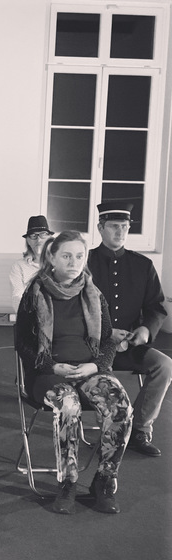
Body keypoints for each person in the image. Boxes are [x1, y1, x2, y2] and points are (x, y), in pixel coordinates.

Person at [16, 231, 133, 515]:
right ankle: (67, 483)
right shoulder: (34, 294)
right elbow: (23, 344)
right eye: (66, 256)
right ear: (52, 257)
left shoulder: (94, 294)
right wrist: (51, 366)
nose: (74, 262)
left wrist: (96, 366)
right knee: (68, 403)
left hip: (89, 369)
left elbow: (107, 341)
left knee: (120, 406)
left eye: (79, 256)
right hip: (47, 373)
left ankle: (104, 481)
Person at [88, 201, 171, 457]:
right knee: (106, 380)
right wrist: (105, 332)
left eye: (125, 227)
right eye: (114, 226)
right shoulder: (85, 262)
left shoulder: (143, 265)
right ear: (100, 228)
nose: (120, 232)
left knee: (164, 365)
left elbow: (156, 307)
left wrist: (146, 330)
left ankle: (140, 429)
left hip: (130, 345)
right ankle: (113, 430)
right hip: (93, 347)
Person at [9, 215, 54, 313]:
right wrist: (27, 316)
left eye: (43, 234)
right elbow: (17, 297)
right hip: (29, 316)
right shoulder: (19, 266)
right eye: (33, 236)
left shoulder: (58, 264)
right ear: (28, 241)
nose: (38, 240)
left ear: (49, 238)